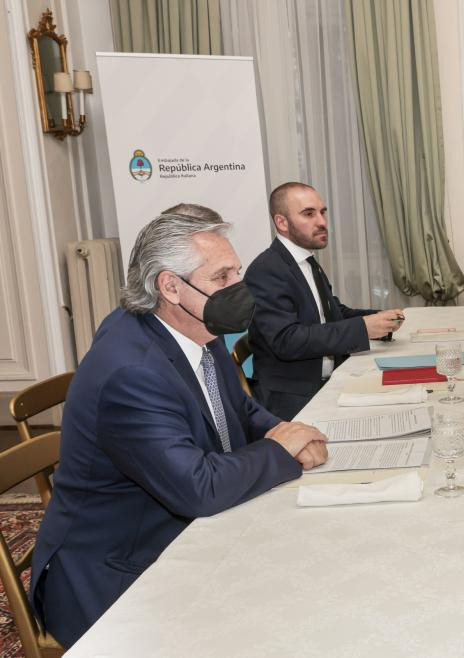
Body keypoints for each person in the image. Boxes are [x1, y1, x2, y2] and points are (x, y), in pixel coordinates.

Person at [31, 206, 329, 647]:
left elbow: (239, 412)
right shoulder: (131, 371)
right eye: (222, 278)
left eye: (237, 273)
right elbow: (199, 489)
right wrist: (281, 449)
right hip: (117, 573)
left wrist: (284, 431)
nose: (239, 289)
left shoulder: (195, 330)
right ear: (170, 286)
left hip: (181, 533)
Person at [245, 182, 405, 420]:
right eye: (309, 214)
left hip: (328, 382)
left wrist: (378, 319)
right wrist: (362, 328)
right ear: (282, 222)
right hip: (293, 398)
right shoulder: (266, 270)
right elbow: (287, 341)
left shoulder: (306, 261)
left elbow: (332, 312)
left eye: (323, 212)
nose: (322, 222)